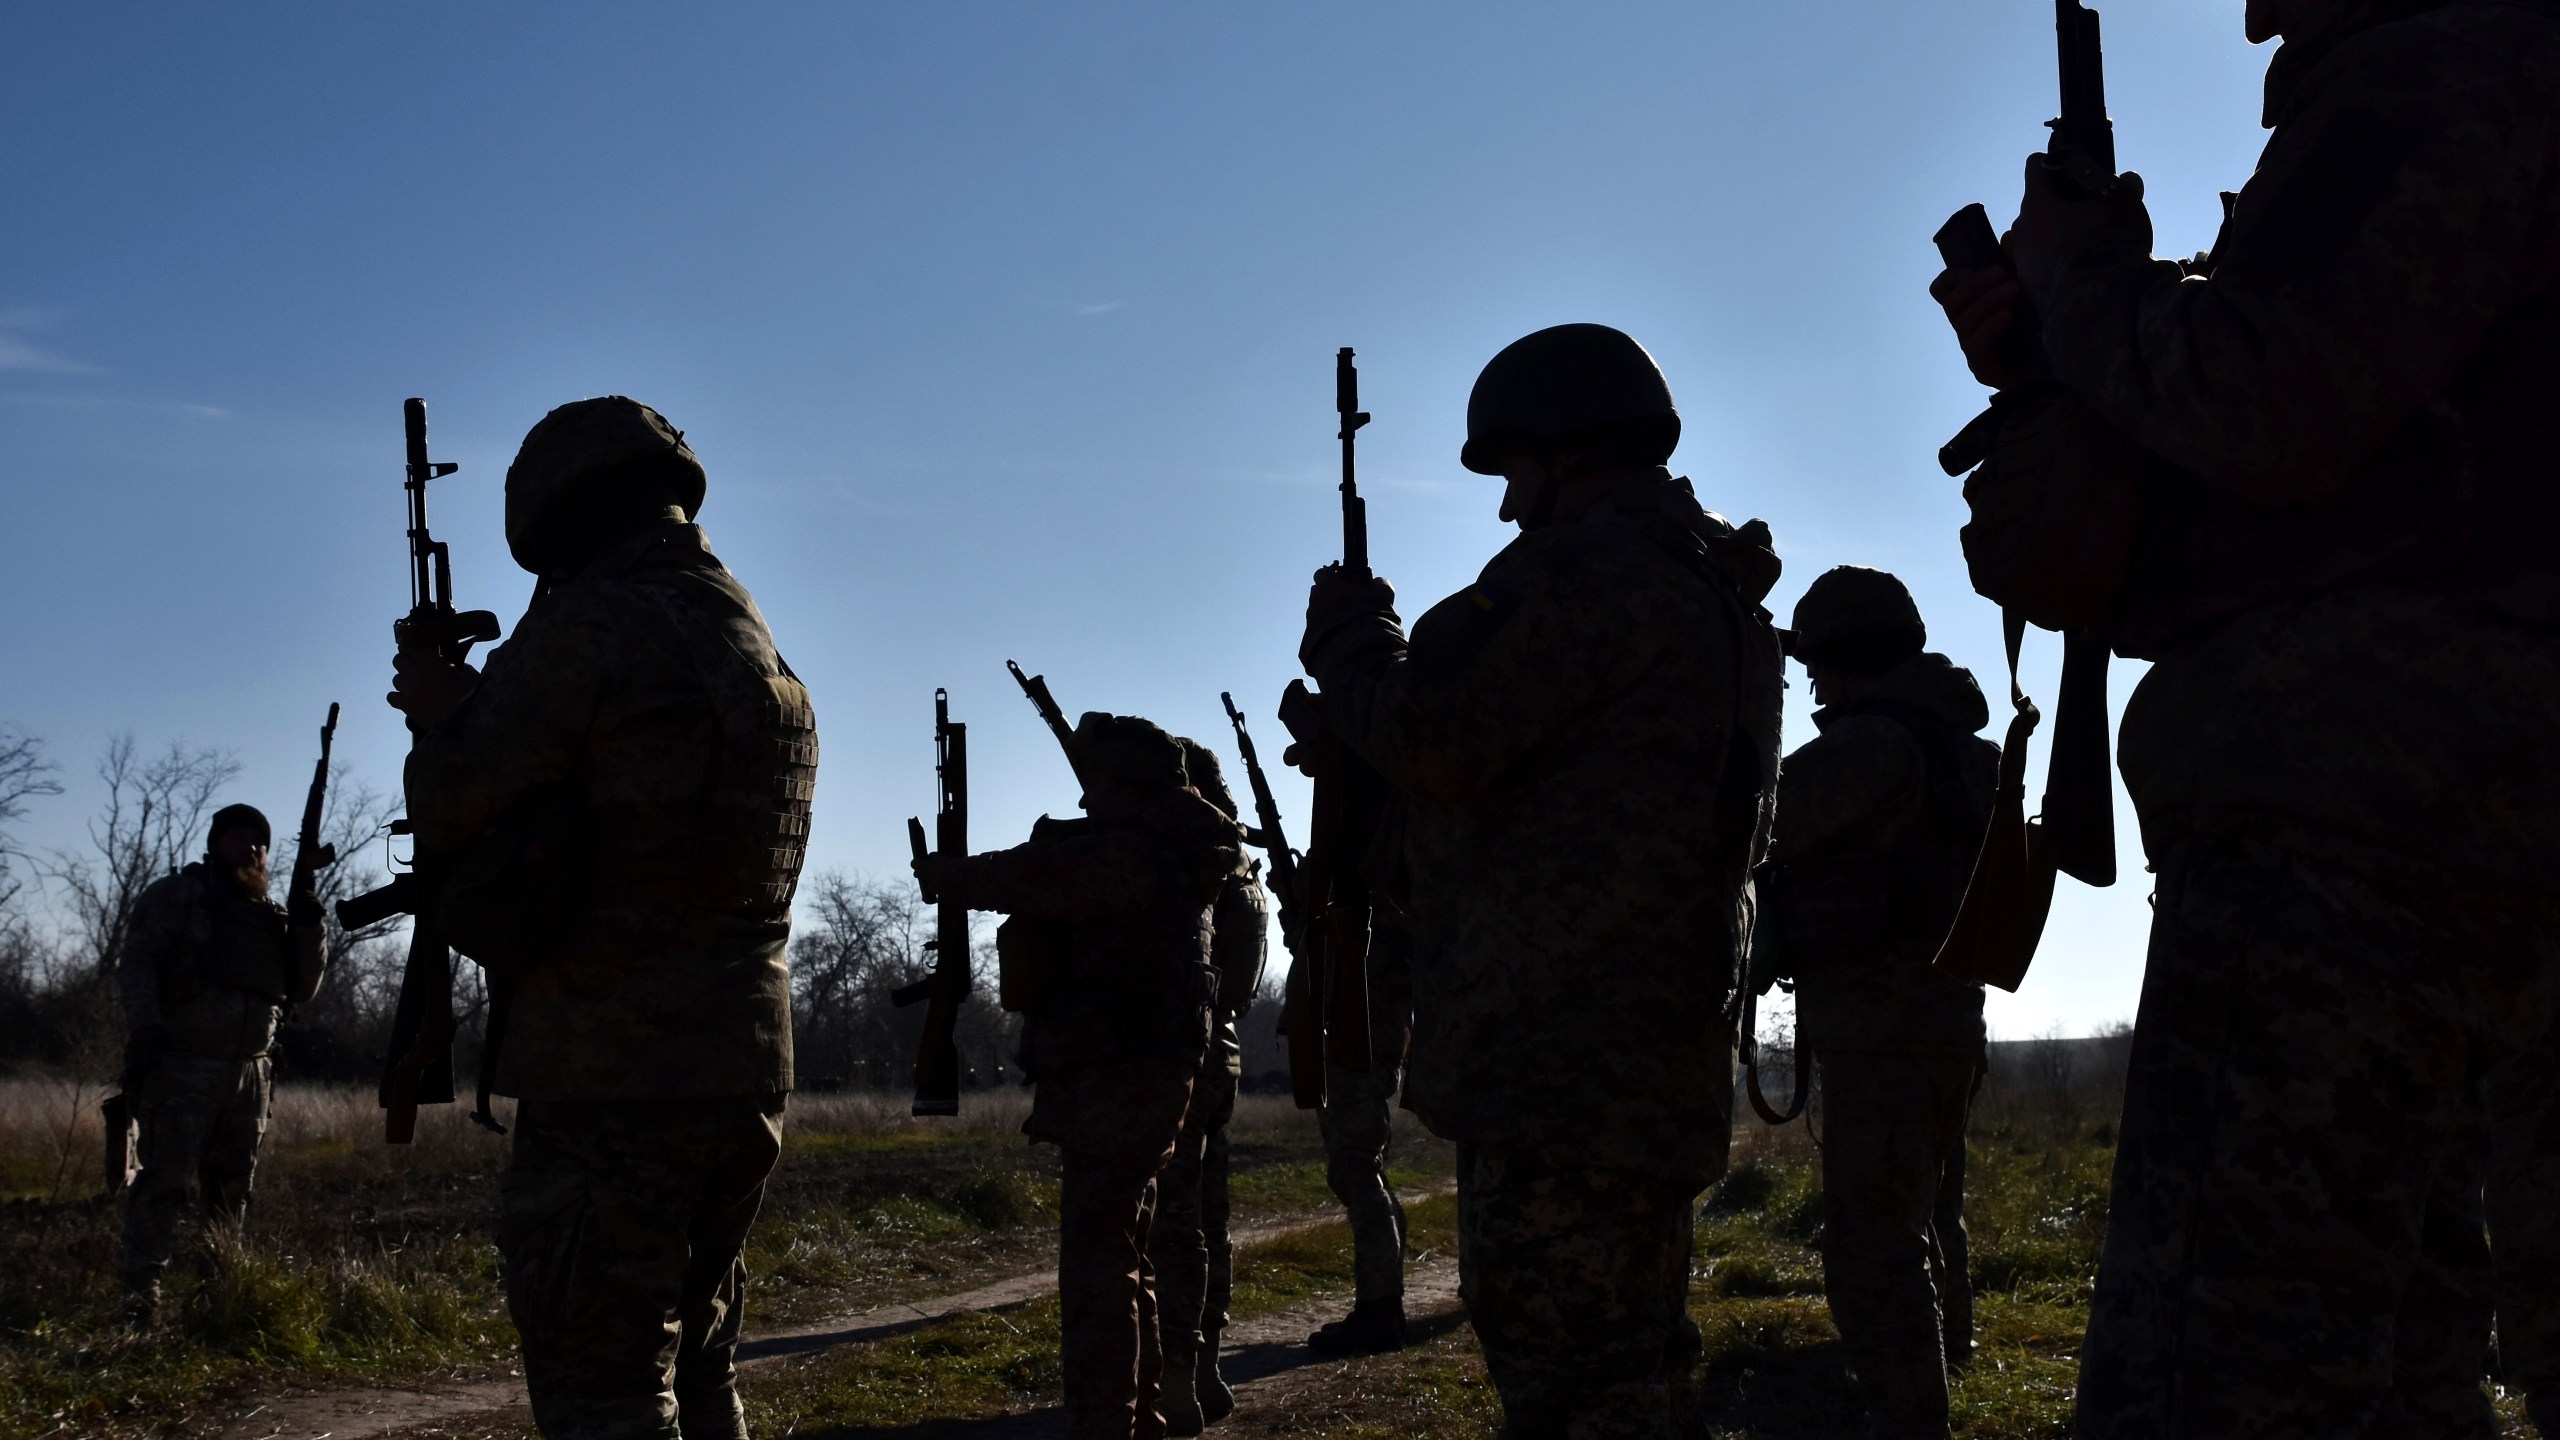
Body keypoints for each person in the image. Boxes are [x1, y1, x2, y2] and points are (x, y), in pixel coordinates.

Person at [1930, 1, 2560, 1432]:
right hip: (2415, 816)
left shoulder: (2445, 49)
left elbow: (2274, 396)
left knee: (2219, 1384)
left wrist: (2086, 282)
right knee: (2396, 1368)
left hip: (2360, 828)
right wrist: (2065, 351)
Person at [1298, 322, 1786, 1437]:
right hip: (1641, 1042)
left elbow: (1437, 733)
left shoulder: (1592, 577)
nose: (1510, 506)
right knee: (1629, 1366)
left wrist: (1353, 646)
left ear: (1563, 451)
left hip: (1564, 1049)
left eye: (1517, 472)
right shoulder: (1708, 593)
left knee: (1570, 1375)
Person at [388, 397, 817, 1440]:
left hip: (614, 1066)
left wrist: (440, 715)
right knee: (701, 1364)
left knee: (604, 1388)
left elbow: (453, 798)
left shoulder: (592, 626)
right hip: (743, 1063)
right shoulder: (756, 647)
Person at [915, 713, 1237, 1440]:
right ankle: (1139, 1416)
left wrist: (950, 877)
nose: (1085, 801)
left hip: (1120, 1073)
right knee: (1124, 1250)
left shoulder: (1135, 853)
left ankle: (1107, 1423)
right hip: (1138, 1069)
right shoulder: (1168, 845)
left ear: (1126, 784)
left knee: (1097, 1264)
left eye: (1098, 784)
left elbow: (1034, 879)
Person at [1756, 566, 1997, 1440]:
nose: (1813, 684)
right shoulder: (1965, 750)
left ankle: (1909, 1416)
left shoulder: (1870, 747)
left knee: (1871, 1253)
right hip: (1945, 1020)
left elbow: (1755, 818)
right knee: (1930, 1212)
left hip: (1879, 1026)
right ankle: (1948, 1354)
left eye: (1816, 667)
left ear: (1846, 661)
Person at [115, 803, 325, 1322]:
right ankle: (139, 1304)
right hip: (184, 1064)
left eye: (259, 842)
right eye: (239, 838)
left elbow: (302, 989)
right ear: (216, 844)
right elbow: (138, 961)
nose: (251, 848)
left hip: (251, 1072)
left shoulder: (273, 916)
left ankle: (219, 1300)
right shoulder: (178, 897)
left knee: (233, 1190)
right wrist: (145, 1029)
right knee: (164, 1183)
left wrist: (309, 925)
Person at [1150, 738, 1270, 1433]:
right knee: (1209, 1222)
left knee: (1175, 1226)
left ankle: (1177, 1373)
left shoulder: (1200, 857)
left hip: (1183, 1055)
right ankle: (1206, 1366)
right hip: (1221, 1057)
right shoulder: (1242, 863)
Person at [1302, 913, 1413, 1357]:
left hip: (1358, 1033)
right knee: (1359, 1169)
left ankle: (1379, 1310)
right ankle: (1383, 1306)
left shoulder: (1374, 901)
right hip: (1360, 1029)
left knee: (1357, 1168)